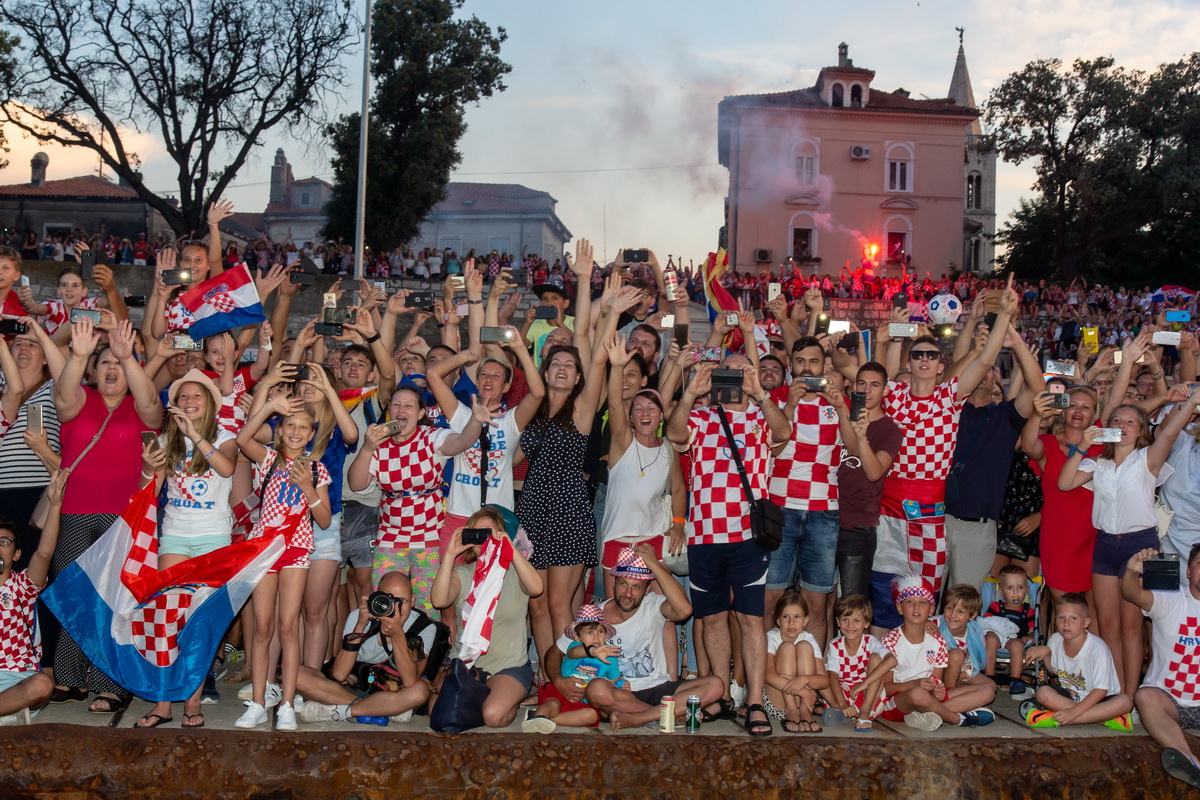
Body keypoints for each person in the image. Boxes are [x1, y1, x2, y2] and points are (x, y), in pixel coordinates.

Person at [871, 284, 1016, 626]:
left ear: (941, 366)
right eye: (917, 354)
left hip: (930, 515)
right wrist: (891, 337)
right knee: (883, 600)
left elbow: (983, 360)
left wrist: (1004, 317)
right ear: (910, 361)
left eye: (931, 355)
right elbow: (879, 373)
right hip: (889, 513)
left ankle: (926, 670)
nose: (924, 359)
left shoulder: (949, 398)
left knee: (925, 602)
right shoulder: (892, 394)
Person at [666, 355, 791, 736]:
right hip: (704, 536)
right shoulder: (701, 417)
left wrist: (761, 393)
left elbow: (784, 434)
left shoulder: (761, 416)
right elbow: (674, 433)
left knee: (751, 619)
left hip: (748, 538)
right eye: (727, 370)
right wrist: (690, 392)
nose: (733, 378)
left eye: (741, 371)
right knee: (713, 617)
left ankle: (754, 701)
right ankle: (719, 692)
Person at [50, 317, 162, 714]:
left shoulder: (138, 404)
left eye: (118, 365)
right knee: (72, 593)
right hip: (77, 511)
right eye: (105, 364)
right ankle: (68, 676)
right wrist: (78, 356)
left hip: (123, 516)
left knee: (113, 598)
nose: (112, 369)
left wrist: (127, 355)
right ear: (93, 372)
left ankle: (108, 683)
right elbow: (62, 399)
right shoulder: (80, 399)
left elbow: (153, 411)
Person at [1057, 386, 1200, 694]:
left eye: (1129, 422)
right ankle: (1115, 691)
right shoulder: (1098, 464)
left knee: (1132, 626)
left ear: (1140, 431)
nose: (1121, 426)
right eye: (1117, 421)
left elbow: (1170, 434)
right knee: (1107, 625)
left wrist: (1191, 402)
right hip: (1106, 546)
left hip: (1142, 547)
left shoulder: (1147, 460)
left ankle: (1131, 695)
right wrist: (1082, 446)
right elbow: (1065, 483)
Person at [132, 370, 238, 728]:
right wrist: (148, 469)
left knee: (200, 623)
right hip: (175, 536)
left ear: (210, 404)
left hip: (214, 537)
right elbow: (151, 488)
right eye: (184, 397)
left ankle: (193, 702)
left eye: (198, 397)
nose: (190, 402)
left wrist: (195, 435)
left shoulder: (226, 437)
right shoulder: (165, 439)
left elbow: (225, 468)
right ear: (175, 404)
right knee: (166, 618)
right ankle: (163, 703)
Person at [347, 387, 494, 617]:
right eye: (396, 405)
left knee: (427, 608)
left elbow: (462, 441)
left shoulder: (431, 437)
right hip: (389, 537)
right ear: (389, 411)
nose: (401, 410)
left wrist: (475, 422)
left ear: (420, 412)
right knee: (385, 602)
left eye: (408, 406)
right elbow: (356, 484)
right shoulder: (378, 444)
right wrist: (367, 448)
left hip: (429, 537)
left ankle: (422, 651)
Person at [542, 545, 725, 730]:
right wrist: (558, 681)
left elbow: (685, 610)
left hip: (657, 686)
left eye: (636, 587)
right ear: (613, 582)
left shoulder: (653, 605)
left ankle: (639, 718)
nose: (628, 594)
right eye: (623, 584)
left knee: (716, 685)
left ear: (647, 590)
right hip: (616, 692)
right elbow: (554, 652)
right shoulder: (595, 616)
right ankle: (670, 715)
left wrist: (655, 565)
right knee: (596, 689)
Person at [234, 394, 333, 730]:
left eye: (303, 427)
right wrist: (269, 408)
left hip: (297, 550)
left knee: (289, 627)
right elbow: (242, 439)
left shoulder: (317, 469)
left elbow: (323, 519)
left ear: (311, 435)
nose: (295, 431)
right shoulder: (269, 460)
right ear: (280, 431)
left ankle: (288, 703)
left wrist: (308, 487)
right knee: (263, 627)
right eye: (290, 425)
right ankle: (258, 702)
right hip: (265, 550)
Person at [765, 337, 852, 646]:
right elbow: (771, 451)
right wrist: (788, 405)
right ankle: (768, 676)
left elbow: (855, 448)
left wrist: (841, 407)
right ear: (791, 367)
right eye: (801, 362)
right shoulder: (772, 399)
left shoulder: (839, 401)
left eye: (814, 362)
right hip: (778, 508)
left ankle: (811, 673)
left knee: (816, 603)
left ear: (823, 366)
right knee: (771, 599)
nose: (807, 368)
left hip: (823, 512)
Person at [430, 506, 544, 729]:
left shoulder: (514, 572)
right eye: (477, 532)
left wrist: (510, 548)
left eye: (489, 532)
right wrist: (451, 555)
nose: (484, 537)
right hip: (464, 664)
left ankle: (499, 703)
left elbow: (536, 587)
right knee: (438, 715)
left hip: (508, 666)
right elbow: (439, 600)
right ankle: (477, 703)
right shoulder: (463, 574)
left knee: (493, 716)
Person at [297, 571, 449, 724]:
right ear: (378, 597)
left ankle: (343, 711)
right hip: (353, 688)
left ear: (413, 600)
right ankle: (383, 709)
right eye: (390, 600)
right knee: (296, 674)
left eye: (402, 601)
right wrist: (360, 625)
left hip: (393, 689)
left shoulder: (425, 627)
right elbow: (340, 674)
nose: (397, 607)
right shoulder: (360, 616)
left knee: (419, 692)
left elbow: (410, 681)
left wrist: (397, 635)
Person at [598, 337, 683, 598]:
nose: (645, 412)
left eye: (651, 407)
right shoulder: (622, 443)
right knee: (617, 610)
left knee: (665, 611)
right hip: (617, 540)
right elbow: (614, 403)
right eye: (638, 409)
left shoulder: (669, 449)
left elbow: (678, 489)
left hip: (653, 540)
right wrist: (616, 367)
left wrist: (678, 523)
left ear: (661, 415)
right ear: (632, 418)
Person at [869, 575, 996, 731]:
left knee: (987, 690)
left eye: (922, 603)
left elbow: (937, 681)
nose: (916, 608)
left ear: (931, 609)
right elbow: (885, 688)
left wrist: (938, 690)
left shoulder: (938, 641)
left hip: (928, 697)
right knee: (917, 693)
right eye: (910, 602)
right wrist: (915, 684)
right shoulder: (890, 641)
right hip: (898, 702)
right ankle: (958, 718)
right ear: (900, 607)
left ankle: (927, 714)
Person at [1125, 546, 1200, 789]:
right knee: (1145, 696)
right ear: (1188, 571)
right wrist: (1131, 571)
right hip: (1170, 701)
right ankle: (1191, 763)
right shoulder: (1172, 600)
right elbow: (1131, 594)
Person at [1020, 386, 1099, 602]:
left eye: (1085, 407)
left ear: (1095, 414)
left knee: (1094, 614)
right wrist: (1037, 414)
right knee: (1065, 609)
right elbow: (1028, 447)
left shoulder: (1101, 444)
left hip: (1095, 536)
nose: (1078, 411)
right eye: (1072, 405)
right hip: (1059, 539)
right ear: (1062, 411)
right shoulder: (1049, 443)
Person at [0, 472, 66, 725]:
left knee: (42, 684)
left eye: (4, 541)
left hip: (19, 679)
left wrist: (56, 504)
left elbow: (45, 552)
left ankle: (9, 708)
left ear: (16, 554)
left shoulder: (22, 586)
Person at [836, 362, 902, 610]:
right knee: (819, 599)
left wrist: (862, 437)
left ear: (884, 390)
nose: (867, 390)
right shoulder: (839, 413)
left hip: (858, 525)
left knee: (852, 605)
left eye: (874, 385)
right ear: (854, 386)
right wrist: (843, 411)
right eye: (861, 384)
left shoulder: (890, 430)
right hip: (823, 515)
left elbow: (874, 473)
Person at [1020, 592, 1133, 730]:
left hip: (1100, 699)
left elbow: (1101, 691)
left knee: (1125, 701)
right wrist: (1046, 653)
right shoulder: (1055, 640)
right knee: (1042, 693)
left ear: (1086, 622)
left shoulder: (1097, 648)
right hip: (1071, 697)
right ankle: (1103, 720)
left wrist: (1073, 713)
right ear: (1055, 620)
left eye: (1073, 618)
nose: (1066, 623)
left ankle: (1061, 719)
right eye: (1061, 617)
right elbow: (1053, 671)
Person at [523, 605, 626, 733]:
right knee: (553, 704)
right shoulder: (575, 647)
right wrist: (592, 651)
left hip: (583, 701)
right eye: (589, 632)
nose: (596, 637)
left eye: (600, 631)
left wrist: (622, 685)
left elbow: (614, 681)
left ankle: (541, 719)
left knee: (592, 715)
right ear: (578, 637)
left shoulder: (610, 657)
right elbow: (574, 653)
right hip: (558, 691)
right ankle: (542, 715)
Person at [763, 592, 828, 732]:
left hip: (804, 702)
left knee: (804, 646)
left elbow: (824, 680)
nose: (791, 623)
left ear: (805, 621)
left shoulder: (808, 638)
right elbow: (767, 675)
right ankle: (791, 710)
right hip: (778, 701)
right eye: (786, 617)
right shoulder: (771, 637)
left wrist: (803, 679)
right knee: (787, 648)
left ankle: (805, 712)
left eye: (797, 617)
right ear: (778, 621)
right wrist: (804, 692)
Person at [820, 593, 886, 732]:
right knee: (820, 670)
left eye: (857, 620)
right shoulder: (835, 645)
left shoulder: (870, 642)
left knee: (876, 659)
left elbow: (892, 660)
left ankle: (864, 713)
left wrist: (866, 683)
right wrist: (842, 704)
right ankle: (838, 710)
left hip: (868, 695)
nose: (850, 625)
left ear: (866, 623)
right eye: (845, 619)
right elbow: (833, 676)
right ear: (838, 622)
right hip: (842, 696)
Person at [980, 565, 1036, 693]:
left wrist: (1030, 636)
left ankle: (1014, 680)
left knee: (1017, 645)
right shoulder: (995, 606)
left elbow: (1032, 630)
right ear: (1001, 591)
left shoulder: (1028, 611)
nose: (1015, 592)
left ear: (1027, 590)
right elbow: (986, 623)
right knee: (991, 638)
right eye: (1010, 588)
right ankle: (990, 676)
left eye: (1020, 588)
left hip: (1014, 639)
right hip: (996, 636)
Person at [935, 584, 991, 694]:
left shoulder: (975, 632)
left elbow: (974, 657)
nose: (952, 615)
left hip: (962, 669)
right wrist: (923, 625)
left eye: (960, 611)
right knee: (957, 654)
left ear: (972, 615)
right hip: (938, 671)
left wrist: (967, 669)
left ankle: (958, 688)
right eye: (949, 608)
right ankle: (949, 694)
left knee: (991, 686)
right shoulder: (935, 624)